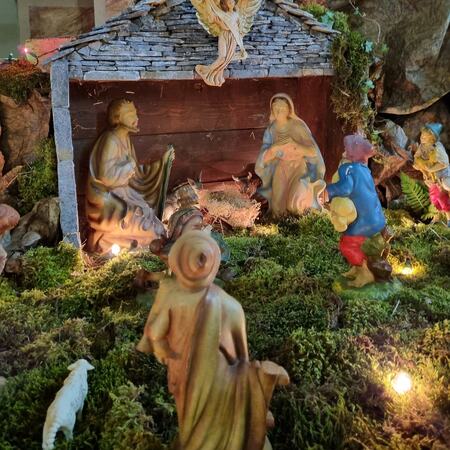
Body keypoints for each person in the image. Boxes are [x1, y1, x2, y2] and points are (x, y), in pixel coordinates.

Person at [137, 230, 289, 450]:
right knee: (196, 411)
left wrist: (163, 351)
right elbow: (240, 355)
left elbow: (154, 332)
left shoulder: (175, 294)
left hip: (195, 371)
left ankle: (205, 440)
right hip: (198, 370)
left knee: (194, 411)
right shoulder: (226, 303)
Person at [86, 99, 174, 254]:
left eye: (135, 113)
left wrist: (162, 163)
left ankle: (135, 242)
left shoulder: (125, 139)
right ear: (117, 117)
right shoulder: (110, 140)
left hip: (126, 194)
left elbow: (137, 173)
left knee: (156, 225)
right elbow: (105, 177)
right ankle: (109, 241)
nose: (136, 117)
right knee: (150, 230)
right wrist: (128, 165)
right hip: (110, 202)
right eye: (130, 114)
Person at [327, 134, 388, 287]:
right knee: (350, 242)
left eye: (346, 149)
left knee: (347, 245)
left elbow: (345, 188)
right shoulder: (364, 169)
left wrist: (328, 191)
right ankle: (357, 268)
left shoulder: (347, 168)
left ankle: (365, 272)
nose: (343, 152)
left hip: (364, 221)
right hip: (376, 218)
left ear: (351, 153)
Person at [255, 93, 326, 217]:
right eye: (276, 107)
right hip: (281, 168)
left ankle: (301, 222)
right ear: (272, 110)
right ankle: (284, 225)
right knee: (278, 209)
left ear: (289, 109)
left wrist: (296, 146)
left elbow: (313, 151)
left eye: (282, 108)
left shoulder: (298, 126)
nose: (279, 111)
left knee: (295, 203)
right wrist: (274, 148)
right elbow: (264, 158)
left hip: (298, 167)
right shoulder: (271, 130)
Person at [412, 123, 450, 226]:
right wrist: (422, 170)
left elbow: (444, 163)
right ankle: (438, 215)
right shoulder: (422, 146)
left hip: (442, 176)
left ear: (432, 138)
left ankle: (448, 219)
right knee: (434, 197)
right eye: (421, 135)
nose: (422, 138)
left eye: (425, 137)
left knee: (443, 195)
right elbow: (417, 159)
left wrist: (431, 169)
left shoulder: (437, 147)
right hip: (431, 178)